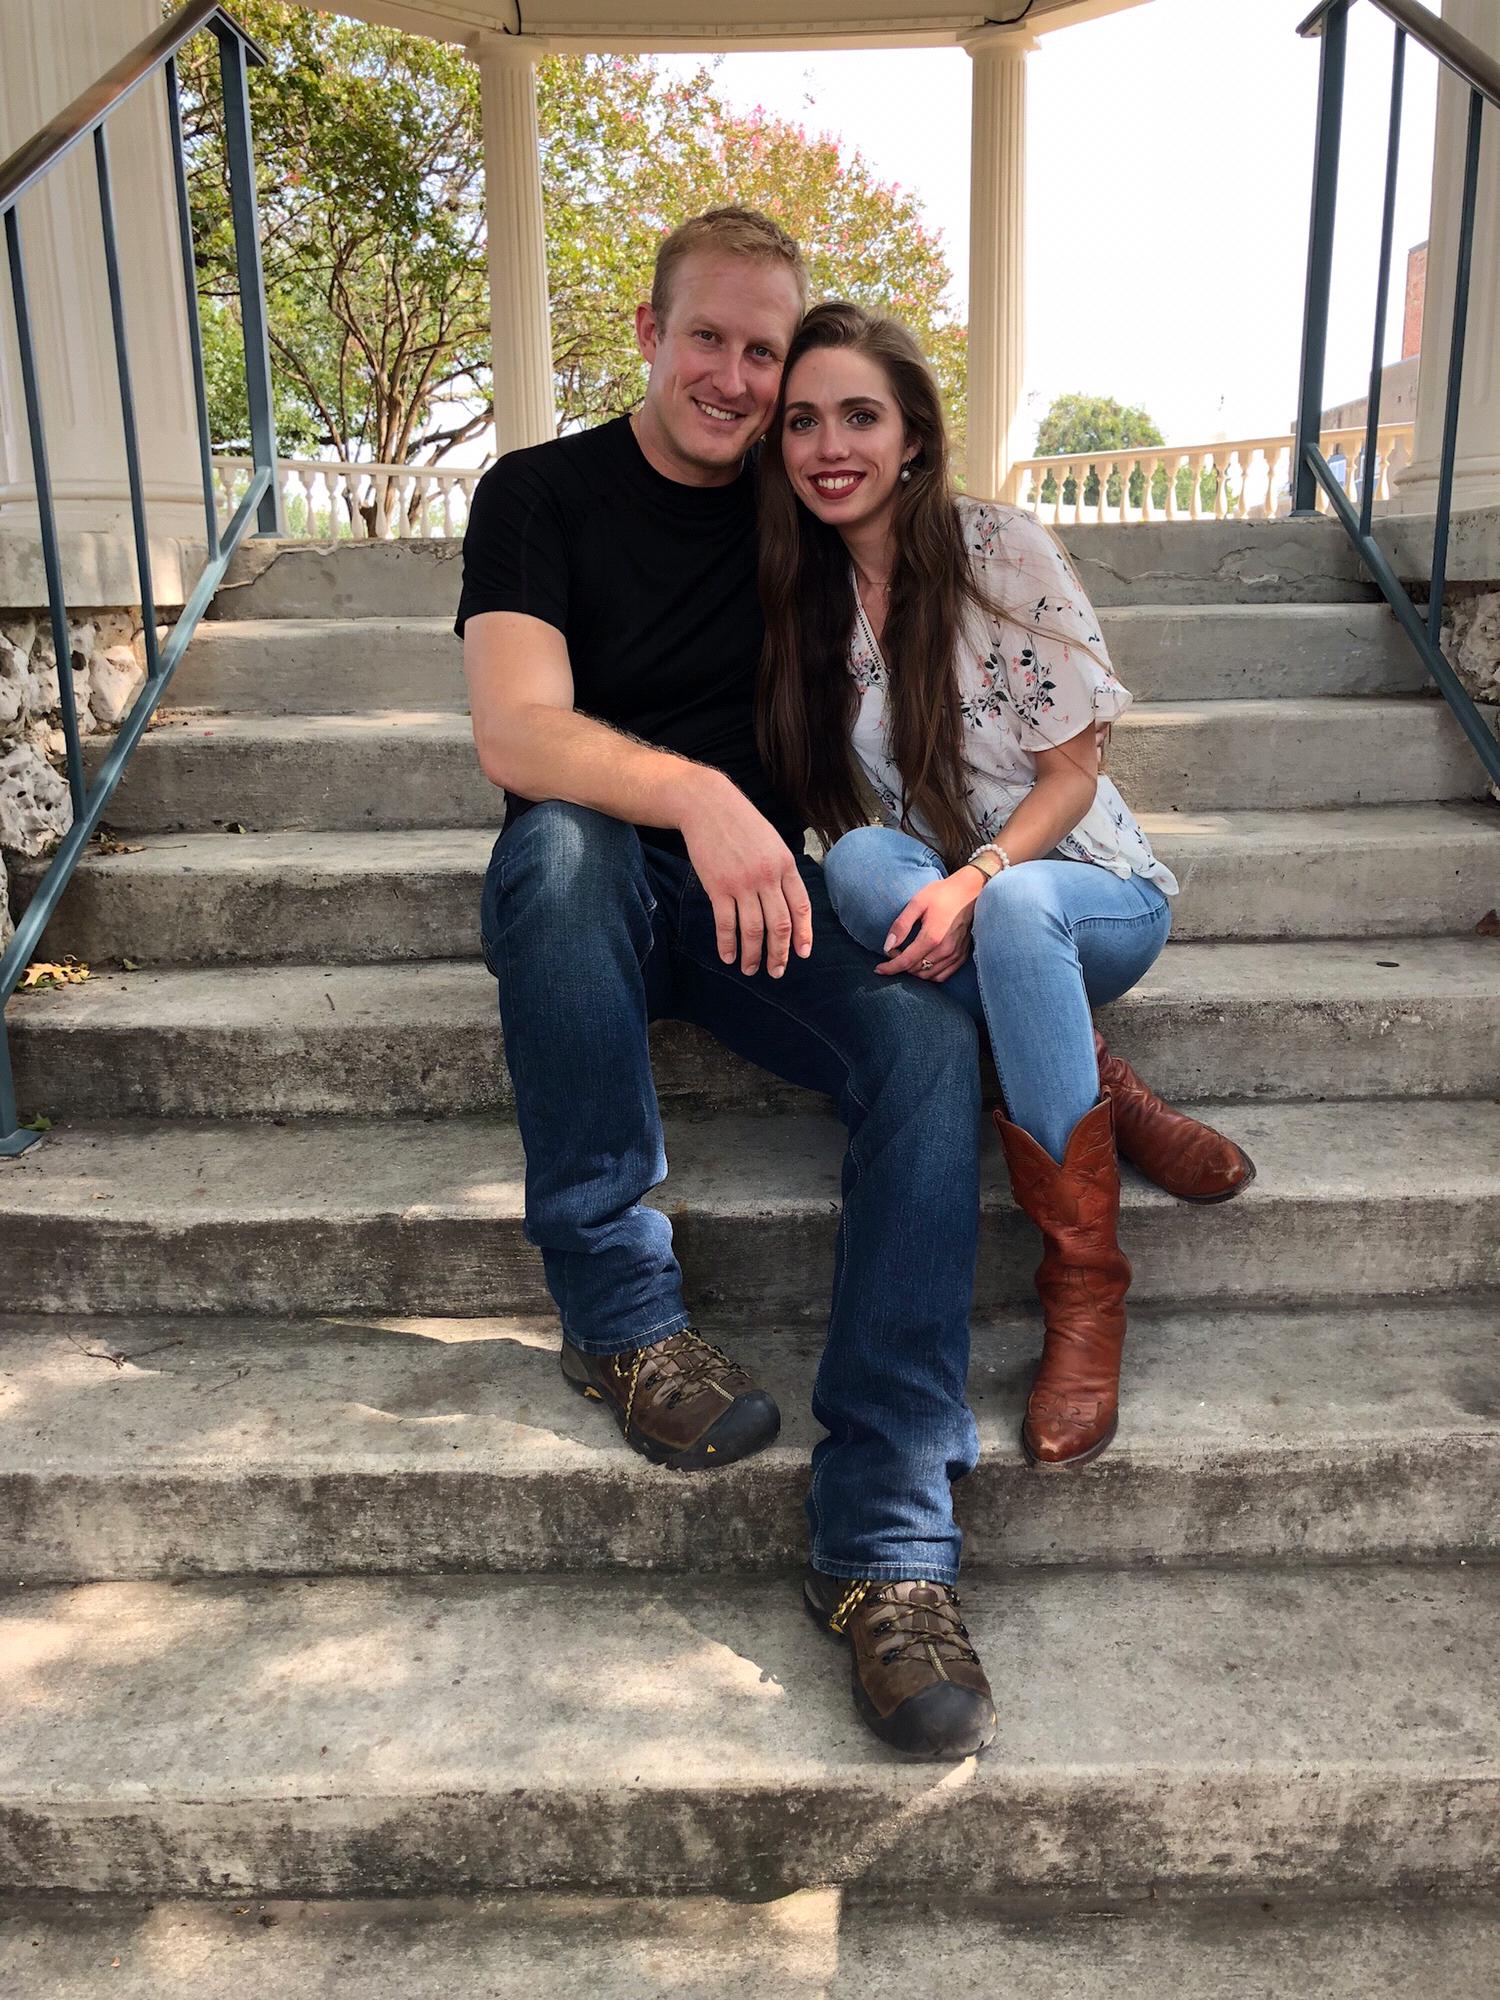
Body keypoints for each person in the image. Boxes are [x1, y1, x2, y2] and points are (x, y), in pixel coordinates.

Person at [457, 212, 994, 1760]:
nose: (742, 379)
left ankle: (887, 1544)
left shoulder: (797, 501)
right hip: (610, 881)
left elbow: (952, 597)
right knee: (555, 847)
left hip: (764, 902)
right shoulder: (539, 493)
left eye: (768, 354)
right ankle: (625, 1320)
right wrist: (693, 794)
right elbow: (516, 732)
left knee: (923, 1041)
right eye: (714, 339)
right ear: (646, 328)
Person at [757, 301, 1255, 1475]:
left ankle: (1086, 1289)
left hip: (1086, 889)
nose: (832, 445)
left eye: (861, 416)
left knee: (1021, 907)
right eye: (804, 422)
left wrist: (981, 876)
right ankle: (1102, 1089)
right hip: (934, 879)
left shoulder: (999, 550)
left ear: (916, 436)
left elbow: (1073, 778)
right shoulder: (804, 594)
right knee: (864, 865)